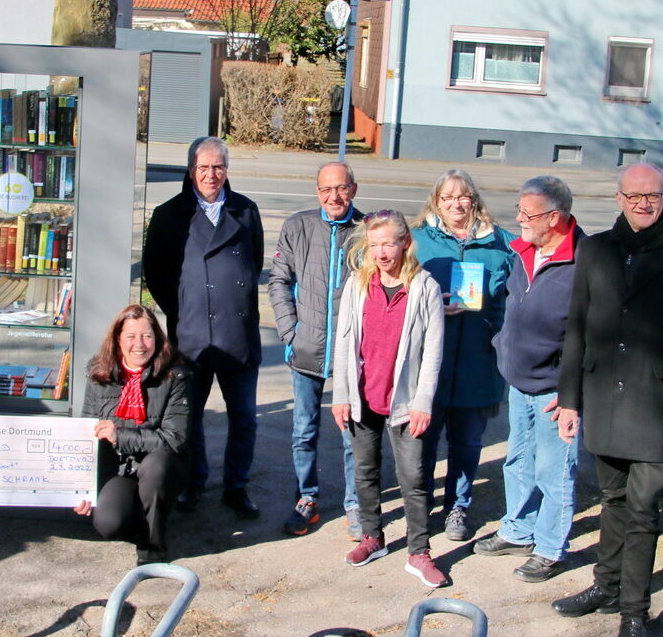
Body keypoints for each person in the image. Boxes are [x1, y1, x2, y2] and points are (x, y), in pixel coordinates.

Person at [551, 163, 663, 637]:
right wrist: (569, 400)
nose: (644, 203)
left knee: (644, 508)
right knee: (612, 499)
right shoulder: (595, 249)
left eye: (652, 195)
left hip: (656, 405)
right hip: (604, 397)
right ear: (618, 199)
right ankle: (606, 586)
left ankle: (634, 611)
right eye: (635, 196)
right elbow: (577, 326)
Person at [142, 136, 264, 520]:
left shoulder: (246, 210)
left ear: (227, 169)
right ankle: (193, 483)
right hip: (191, 337)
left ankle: (236, 487)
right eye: (203, 167)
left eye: (218, 167)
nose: (211, 175)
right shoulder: (169, 214)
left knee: (243, 419)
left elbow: (254, 264)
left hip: (238, 336)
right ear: (191, 170)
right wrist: (185, 310)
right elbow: (155, 273)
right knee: (190, 419)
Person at [475, 176, 586, 584]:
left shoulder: (585, 261)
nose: (519, 219)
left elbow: (593, 334)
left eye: (528, 213)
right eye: (519, 210)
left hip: (556, 390)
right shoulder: (523, 250)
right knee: (518, 460)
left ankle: (550, 548)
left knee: (554, 471)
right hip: (519, 381)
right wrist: (501, 342)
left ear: (554, 218)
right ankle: (519, 530)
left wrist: (573, 393)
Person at [331, 210, 448, 588]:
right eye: (374, 245)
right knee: (365, 471)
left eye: (389, 244)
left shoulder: (424, 288)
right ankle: (372, 537)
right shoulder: (357, 284)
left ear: (405, 244)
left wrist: (423, 402)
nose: (381, 253)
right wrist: (341, 395)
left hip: (406, 401)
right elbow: (344, 342)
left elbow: (433, 352)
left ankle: (419, 552)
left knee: (413, 477)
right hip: (363, 395)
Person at [410, 169, 514, 543]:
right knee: (423, 440)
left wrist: (501, 341)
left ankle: (457, 506)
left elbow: (518, 297)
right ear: (436, 202)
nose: (456, 204)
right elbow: (396, 289)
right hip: (429, 362)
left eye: (463, 196)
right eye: (447, 197)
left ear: (474, 200)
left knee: (468, 442)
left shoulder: (501, 243)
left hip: (478, 359)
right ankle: (420, 503)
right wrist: (430, 306)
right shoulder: (417, 241)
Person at [268, 161, 364, 538]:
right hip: (305, 349)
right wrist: (290, 332)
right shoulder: (298, 226)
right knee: (304, 431)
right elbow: (279, 281)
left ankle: (355, 504)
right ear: (317, 191)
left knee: (353, 434)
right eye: (326, 189)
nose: (333, 196)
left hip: (351, 354)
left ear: (353, 189)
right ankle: (306, 497)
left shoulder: (368, 230)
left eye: (340, 188)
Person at [72, 305, 190, 565]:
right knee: (109, 524)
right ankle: (140, 515)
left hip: (161, 467)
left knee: (157, 466)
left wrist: (120, 436)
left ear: (157, 338)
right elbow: (86, 434)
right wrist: (81, 487)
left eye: (147, 336)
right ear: (117, 339)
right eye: (131, 336)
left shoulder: (174, 375)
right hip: (119, 468)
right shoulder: (99, 372)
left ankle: (153, 548)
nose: (140, 344)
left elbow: (174, 438)